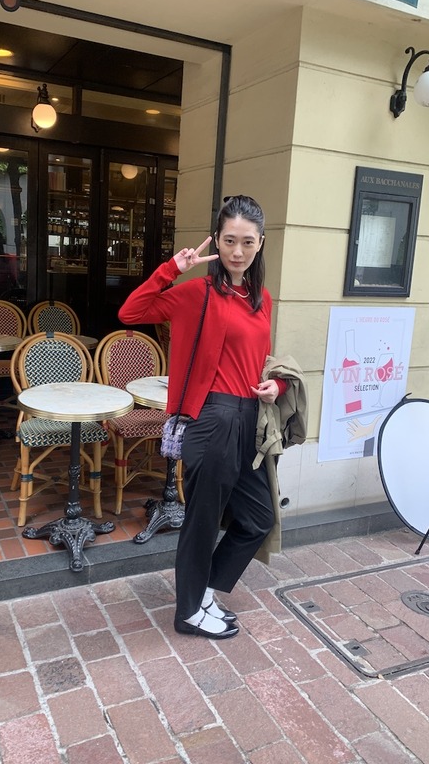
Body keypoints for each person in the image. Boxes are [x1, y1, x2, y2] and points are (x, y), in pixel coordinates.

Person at [119, 194, 287, 639]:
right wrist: (173, 268)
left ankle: (205, 591)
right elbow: (131, 311)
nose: (237, 251)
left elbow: (259, 361)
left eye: (247, 242)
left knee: (259, 518)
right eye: (229, 241)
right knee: (203, 522)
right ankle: (188, 612)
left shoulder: (261, 299)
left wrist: (278, 386)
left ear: (260, 243)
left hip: (249, 419)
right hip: (213, 419)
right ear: (217, 239)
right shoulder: (197, 293)